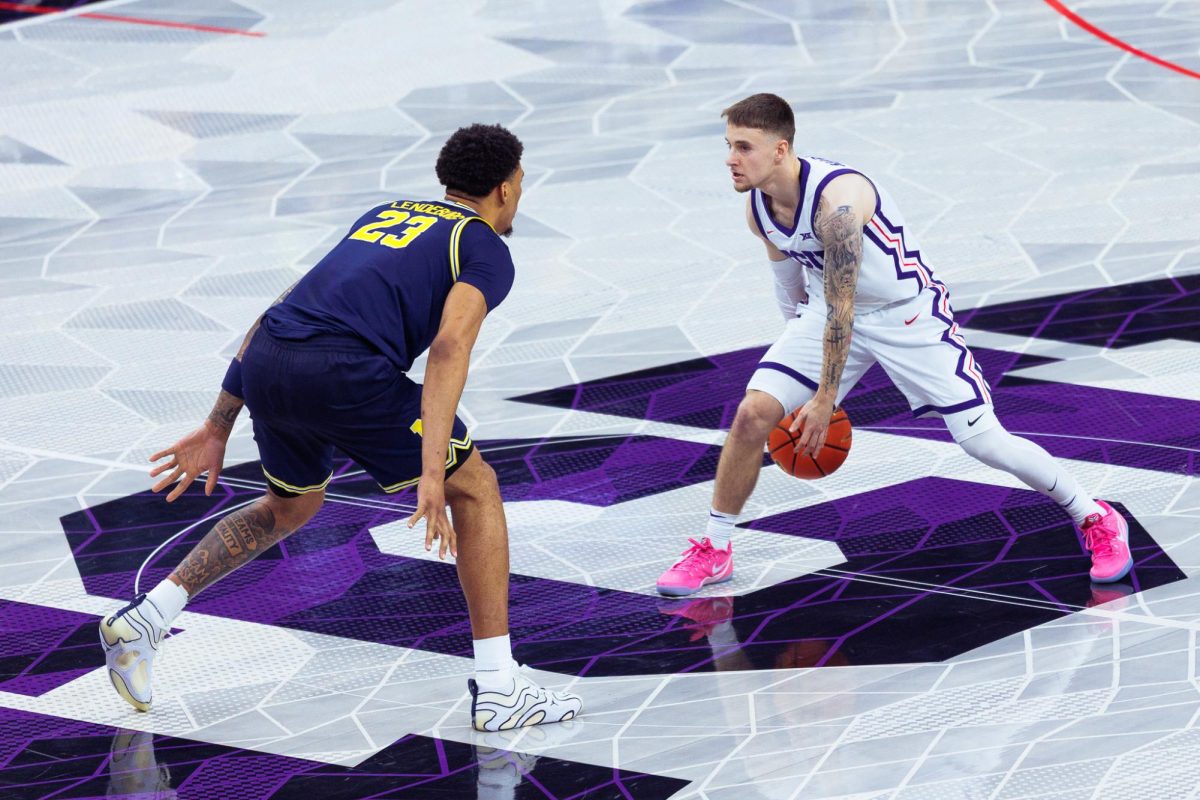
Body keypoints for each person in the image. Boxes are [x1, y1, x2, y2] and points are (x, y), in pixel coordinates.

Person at [99, 123, 582, 732]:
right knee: (475, 486)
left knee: (288, 507)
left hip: (271, 358)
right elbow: (449, 345)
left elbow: (279, 308)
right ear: (506, 190)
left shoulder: (386, 213)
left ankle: (147, 617)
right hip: (343, 370)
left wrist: (219, 422)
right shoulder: (484, 245)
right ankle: (499, 686)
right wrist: (434, 473)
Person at [655, 93, 1131, 596]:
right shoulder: (758, 208)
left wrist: (823, 398)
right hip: (826, 312)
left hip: (905, 316)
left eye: (743, 146)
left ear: (780, 149)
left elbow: (845, 304)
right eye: (728, 145)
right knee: (753, 414)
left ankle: (1094, 516)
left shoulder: (838, 202)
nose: (730, 158)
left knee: (982, 441)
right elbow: (792, 292)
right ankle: (716, 547)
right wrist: (792, 383)